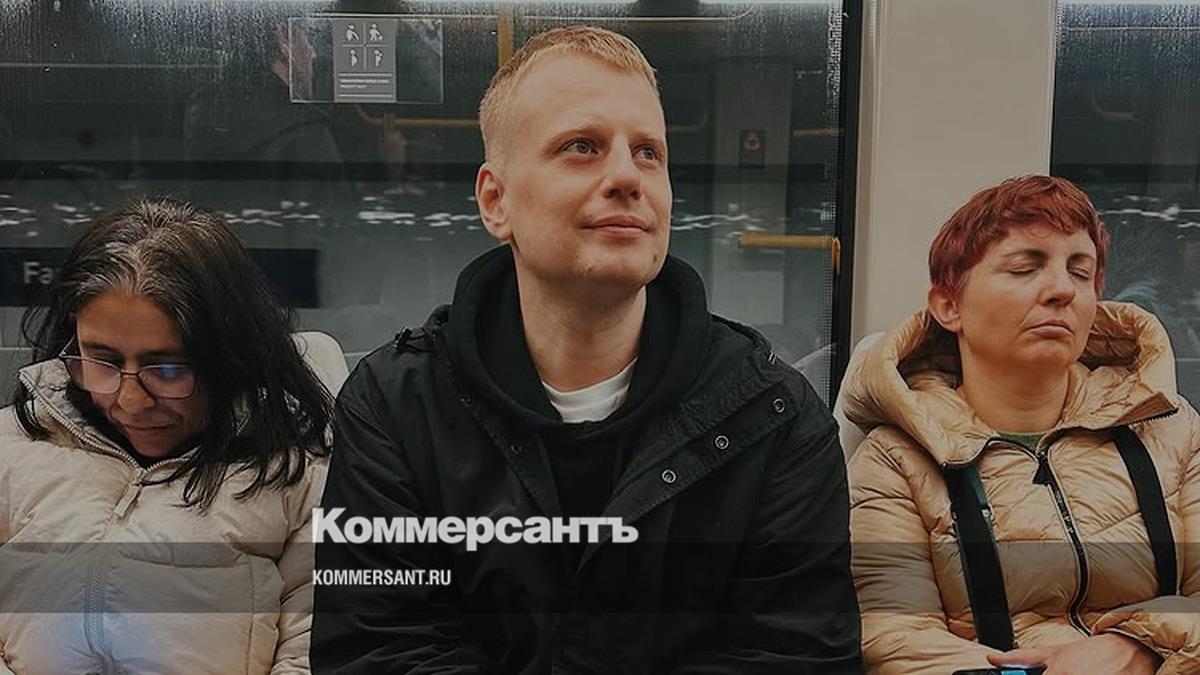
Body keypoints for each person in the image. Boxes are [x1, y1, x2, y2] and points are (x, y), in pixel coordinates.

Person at [311, 26, 861, 673]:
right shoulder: (395, 408)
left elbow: (795, 659)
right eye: (583, 146)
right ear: (496, 201)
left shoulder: (773, 417)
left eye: (648, 152)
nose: (627, 176)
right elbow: (377, 651)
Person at [844, 175, 1200, 674]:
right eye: (1024, 268)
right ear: (949, 306)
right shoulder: (894, 461)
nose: (1061, 290)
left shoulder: (1172, 429)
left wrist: (1139, 647)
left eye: (1080, 272)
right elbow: (896, 644)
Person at [0, 198, 331, 673]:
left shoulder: (302, 475)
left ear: (229, 358)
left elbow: (317, 653)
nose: (131, 401)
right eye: (101, 361)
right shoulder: (11, 446)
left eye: (169, 369)